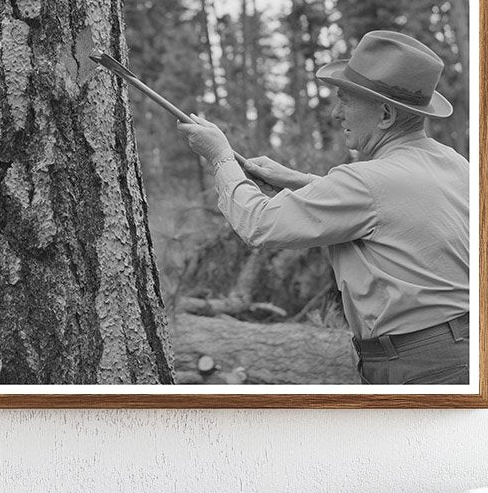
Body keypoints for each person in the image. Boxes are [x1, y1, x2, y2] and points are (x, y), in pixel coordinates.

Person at [177, 30, 470, 386]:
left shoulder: (366, 181)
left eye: (345, 100)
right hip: (464, 351)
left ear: (386, 115)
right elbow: (388, 206)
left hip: (417, 367)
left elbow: (259, 224)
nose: (335, 112)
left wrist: (220, 157)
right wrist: (295, 178)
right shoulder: (453, 164)